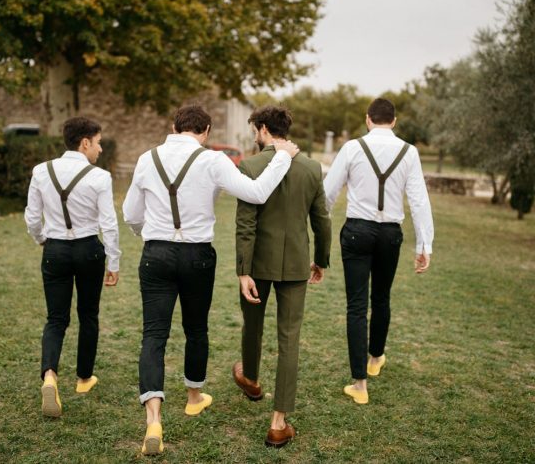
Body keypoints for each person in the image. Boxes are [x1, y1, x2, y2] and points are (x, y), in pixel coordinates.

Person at [122, 105, 299, 456]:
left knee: (153, 334)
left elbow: (130, 214)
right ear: (205, 131)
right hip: (196, 256)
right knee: (196, 328)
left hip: (155, 253)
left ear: (173, 127)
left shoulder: (146, 158)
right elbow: (257, 192)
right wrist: (282, 157)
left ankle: (153, 419)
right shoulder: (213, 160)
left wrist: (151, 236)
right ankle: (193, 397)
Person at [232, 106, 332, 448]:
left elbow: (245, 223)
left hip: (258, 265)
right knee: (289, 339)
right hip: (296, 265)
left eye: (255, 130)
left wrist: (243, 270)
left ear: (263, 130)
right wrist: (320, 259)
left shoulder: (250, 165)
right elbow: (322, 220)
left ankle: (251, 378)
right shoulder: (311, 167)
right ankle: (278, 422)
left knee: (252, 325)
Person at [323, 97, 433, 405]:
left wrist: (321, 230)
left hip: (357, 231)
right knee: (381, 297)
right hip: (389, 234)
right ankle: (375, 358)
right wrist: (425, 244)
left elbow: (328, 193)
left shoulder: (352, 148)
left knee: (357, 305)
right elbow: (419, 200)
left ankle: (360, 384)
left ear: (368, 119)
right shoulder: (409, 152)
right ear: (394, 122)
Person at [24, 116, 121, 418]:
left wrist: (43, 240)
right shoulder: (99, 177)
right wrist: (114, 261)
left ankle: (50, 375)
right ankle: (83, 378)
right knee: (88, 314)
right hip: (89, 250)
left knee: (56, 318)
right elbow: (109, 224)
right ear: (85, 143)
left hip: (55, 250)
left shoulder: (41, 171)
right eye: (98, 142)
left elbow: (31, 217)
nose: (101, 149)